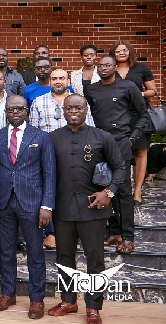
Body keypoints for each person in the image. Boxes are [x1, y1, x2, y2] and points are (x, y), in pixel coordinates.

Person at [48, 94, 125, 324]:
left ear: (86, 110)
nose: (73, 111)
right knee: (64, 257)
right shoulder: (52, 138)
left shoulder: (102, 137)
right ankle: (68, 300)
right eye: (69, 107)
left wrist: (108, 192)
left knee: (95, 259)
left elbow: (120, 168)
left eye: (78, 107)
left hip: (93, 210)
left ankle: (93, 306)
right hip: (62, 209)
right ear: (63, 111)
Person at [0, 95, 56, 320]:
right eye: (10, 109)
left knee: (35, 253)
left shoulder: (41, 137)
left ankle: (37, 299)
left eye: (19, 109)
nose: (15, 112)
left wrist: (47, 205)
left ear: (27, 111)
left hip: (32, 203)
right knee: (6, 250)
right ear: (5, 112)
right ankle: (8, 293)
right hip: (4, 201)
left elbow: (49, 173)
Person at [85, 55, 150, 254]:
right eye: (101, 65)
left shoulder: (128, 86)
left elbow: (143, 114)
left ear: (115, 67)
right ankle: (113, 231)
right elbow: (88, 115)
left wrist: (132, 137)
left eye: (108, 65)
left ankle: (128, 236)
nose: (104, 68)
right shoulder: (92, 89)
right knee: (104, 187)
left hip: (121, 143)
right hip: (99, 145)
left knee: (123, 192)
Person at [29, 69, 93, 249]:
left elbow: (90, 129)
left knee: (74, 193)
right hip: (47, 155)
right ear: (49, 81)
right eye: (54, 78)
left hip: (76, 154)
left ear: (68, 80)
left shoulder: (79, 102)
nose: (58, 81)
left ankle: (75, 234)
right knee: (49, 192)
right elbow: (33, 133)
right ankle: (51, 233)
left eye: (61, 78)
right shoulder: (38, 102)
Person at [111, 40, 157, 204]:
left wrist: (137, 94)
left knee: (140, 151)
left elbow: (153, 91)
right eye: (117, 51)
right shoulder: (108, 68)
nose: (121, 53)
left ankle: (137, 191)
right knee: (117, 153)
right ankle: (119, 191)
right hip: (115, 115)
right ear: (113, 54)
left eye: (124, 50)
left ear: (130, 52)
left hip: (138, 114)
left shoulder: (141, 68)